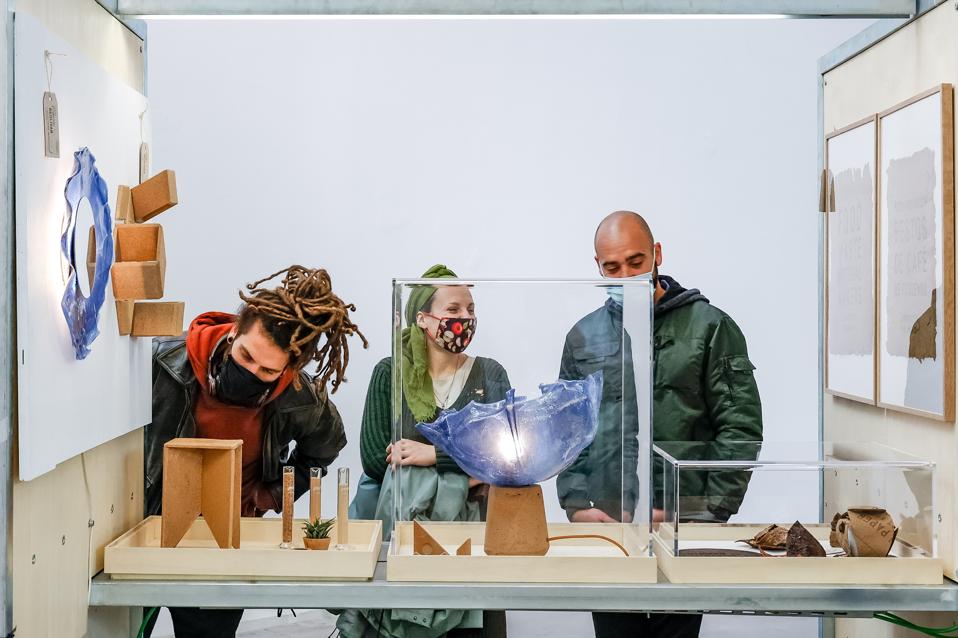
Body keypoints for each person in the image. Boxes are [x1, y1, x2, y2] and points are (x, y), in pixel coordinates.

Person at [557, 211, 763, 638]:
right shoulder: (583, 336)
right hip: (610, 528)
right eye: (612, 267)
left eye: (635, 262)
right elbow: (567, 429)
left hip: (682, 529)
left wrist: (702, 513)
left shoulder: (710, 327)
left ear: (657, 254)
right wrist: (577, 504)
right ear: (597, 267)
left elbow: (739, 430)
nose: (626, 275)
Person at [143, 265, 366, 638]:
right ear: (234, 332)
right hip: (149, 527)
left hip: (228, 539)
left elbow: (324, 448)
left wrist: (271, 494)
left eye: (267, 370)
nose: (252, 372)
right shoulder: (164, 362)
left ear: (288, 370)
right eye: (246, 356)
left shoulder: (299, 396)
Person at [337, 264, 510, 638]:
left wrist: (432, 456)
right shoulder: (389, 373)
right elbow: (374, 458)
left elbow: (504, 456)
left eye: (470, 309)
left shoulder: (490, 374)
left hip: (473, 540)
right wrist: (466, 475)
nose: (465, 318)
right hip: (400, 536)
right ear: (422, 318)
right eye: (453, 310)